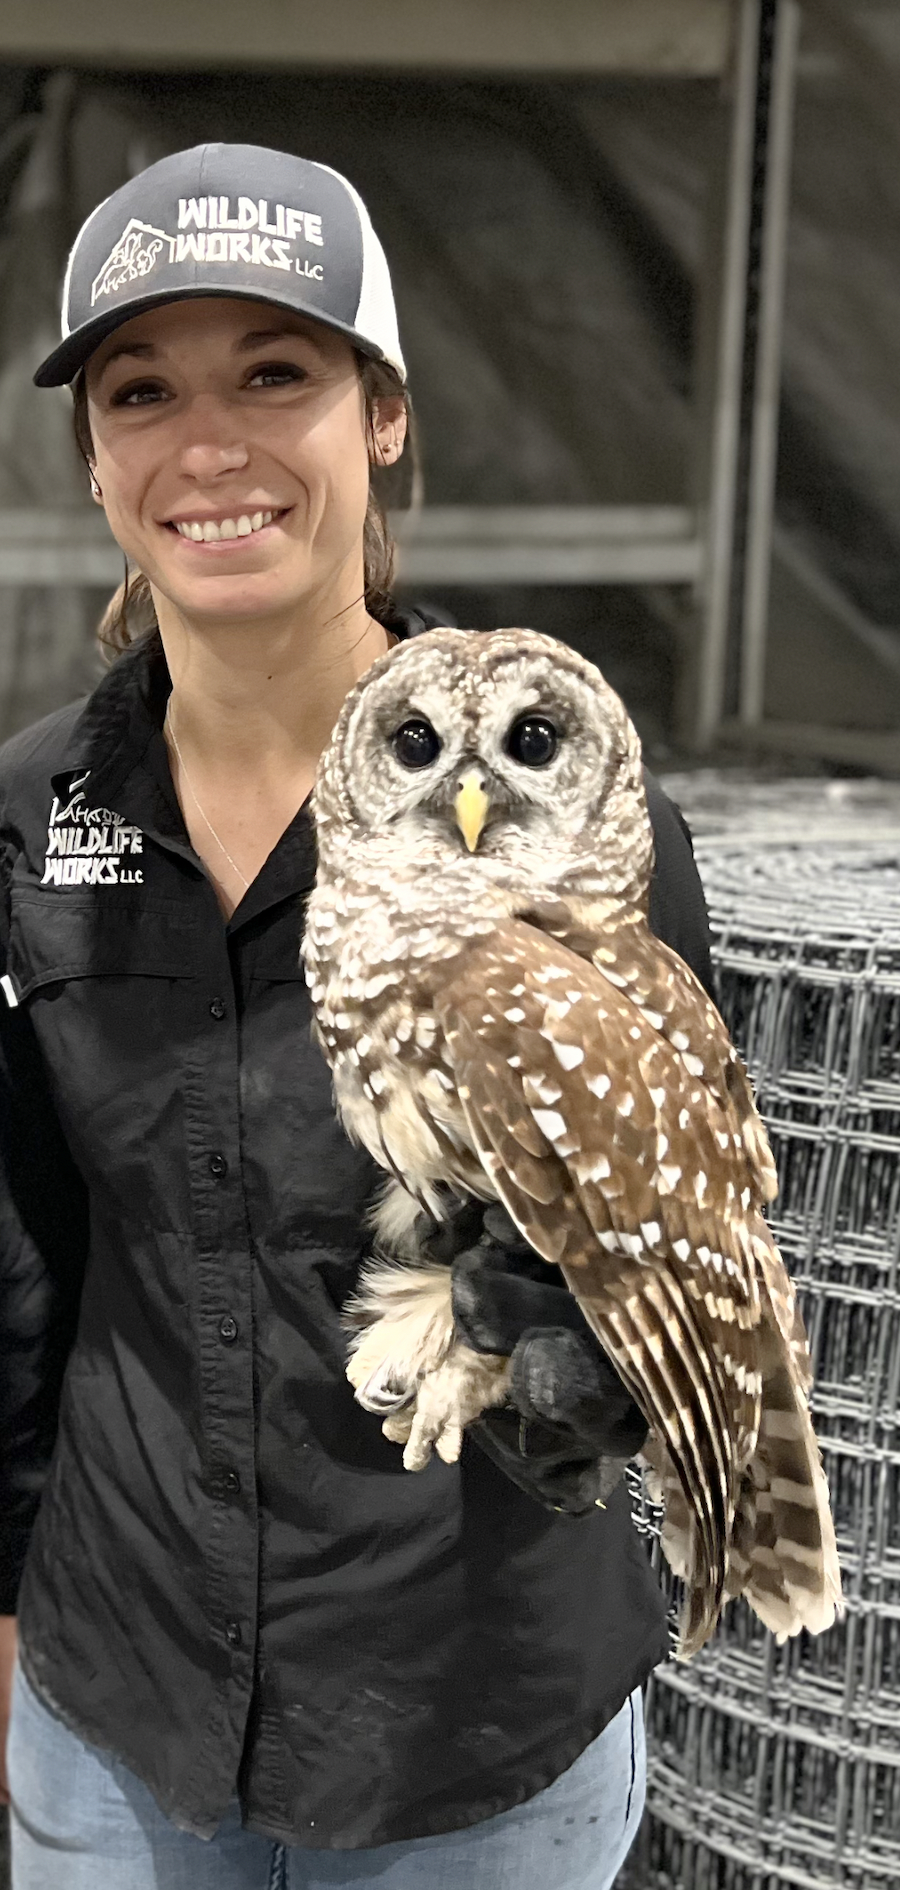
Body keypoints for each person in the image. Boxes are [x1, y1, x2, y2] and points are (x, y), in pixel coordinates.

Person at [0, 143, 714, 1889]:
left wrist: (589, 1338)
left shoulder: (554, 805)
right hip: (120, 1689)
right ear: (94, 455)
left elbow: (688, 1246)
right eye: (142, 388)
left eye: (277, 373)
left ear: (381, 415)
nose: (210, 443)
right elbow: (24, 1254)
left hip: (463, 1713)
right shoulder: (31, 818)